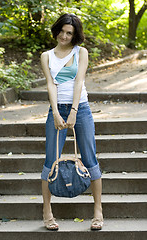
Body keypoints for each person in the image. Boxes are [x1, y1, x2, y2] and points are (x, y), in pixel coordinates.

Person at [40, 13, 103, 231]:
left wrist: (74, 110)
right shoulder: (46, 56)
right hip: (57, 110)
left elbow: (79, 81)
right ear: (56, 29)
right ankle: (47, 212)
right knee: (50, 160)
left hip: (81, 109)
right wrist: (56, 113)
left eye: (69, 33)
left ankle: (98, 212)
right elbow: (51, 85)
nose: (64, 36)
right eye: (62, 31)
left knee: (90, 158)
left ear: (75, 35)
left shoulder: (81, 52)